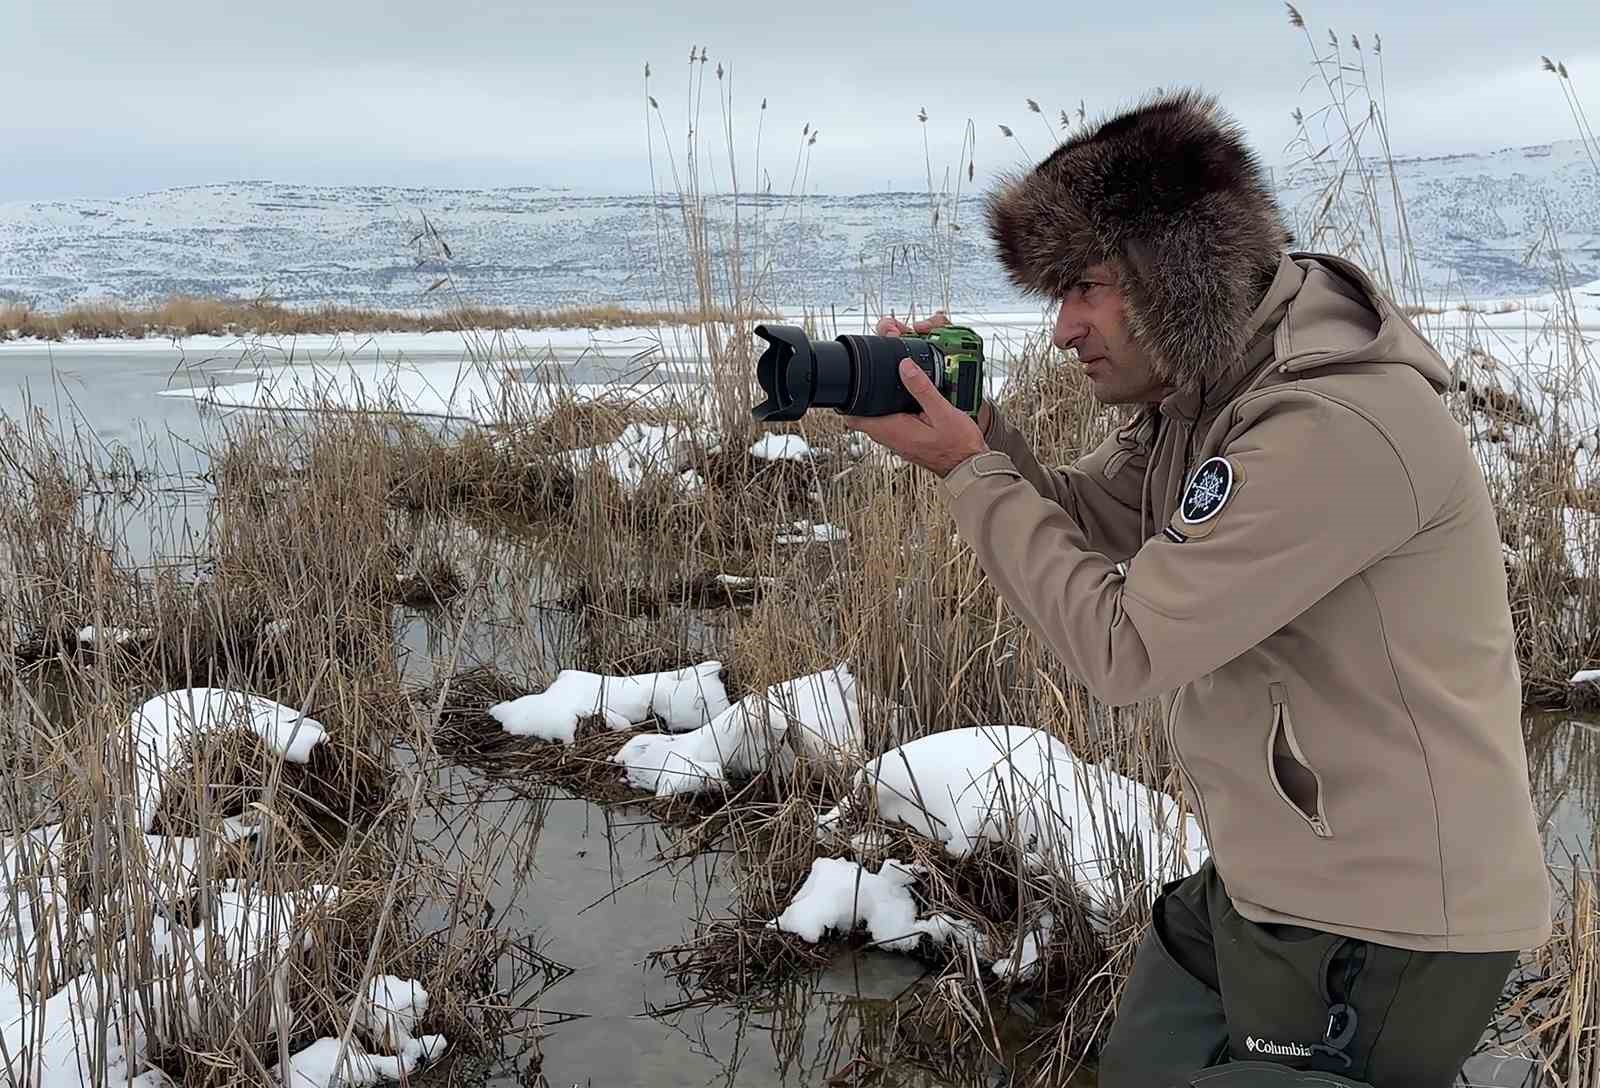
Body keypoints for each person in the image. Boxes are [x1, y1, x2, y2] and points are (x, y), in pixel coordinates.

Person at [845, 89, 1550, 1088]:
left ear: (1174, 274)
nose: (1062, 330)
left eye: (1084, 286)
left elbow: (1125, 647)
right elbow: (1093, 520)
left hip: (1379, 918)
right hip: (1271, 879)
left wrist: (972, 474)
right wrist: (978, 436)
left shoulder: (1324, 424)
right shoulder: (1212, 391)